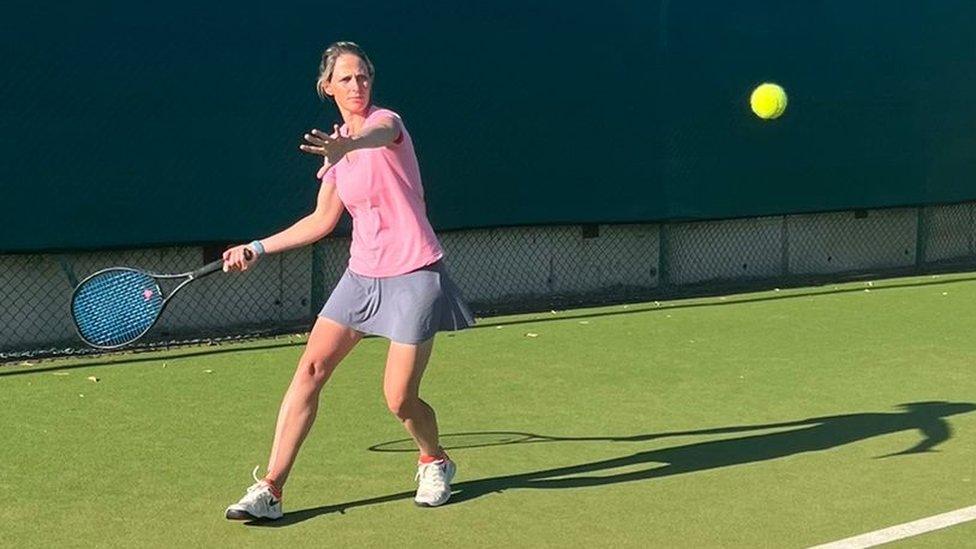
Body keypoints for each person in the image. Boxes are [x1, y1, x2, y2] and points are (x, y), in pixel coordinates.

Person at [222, 41, 474, 521]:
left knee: (399, 397)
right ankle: (271, 489)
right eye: (346, 79)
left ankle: (435, 460)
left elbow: (379, 134)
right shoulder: (335, 149)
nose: (357, 86)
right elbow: (321, 221)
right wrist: (256, 247)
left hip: (414, 272)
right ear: (327, 86)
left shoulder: (387, 124)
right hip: (361, 276)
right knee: (310, 371)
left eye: (363, 77)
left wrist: (349, 144)